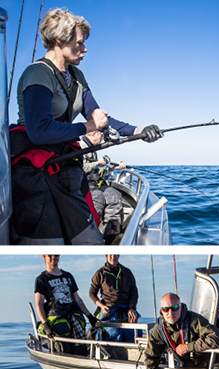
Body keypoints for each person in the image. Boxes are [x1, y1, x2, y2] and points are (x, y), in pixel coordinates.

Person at [9, 8, 163, 245]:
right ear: (60, 40)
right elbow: (39, 131)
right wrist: (87, 126)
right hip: (34, 172)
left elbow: (100, 118)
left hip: (63, 166)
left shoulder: (77, 76)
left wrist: (139, 131)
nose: (85, 49)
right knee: (49, 242)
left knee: (90, 241)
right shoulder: (38, 73)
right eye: (79, 43)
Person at [145, 293, 219, 369]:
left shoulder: (194, 320)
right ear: (161, 310)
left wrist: (189, 347)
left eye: (174, 308)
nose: (170, 313)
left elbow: (217, 338)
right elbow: (150, 358)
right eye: (166, 309)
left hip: (209, 365)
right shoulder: (159, 329)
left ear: (180, 307)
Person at [34, 254, 98, 355]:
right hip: (57, 320)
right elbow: (39, 304)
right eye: (50, 255)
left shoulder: (68, 276)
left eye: (56, 255)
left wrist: (90, 316)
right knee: (63, 349)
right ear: (44, 257)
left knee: (80, 348)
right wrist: (45, 325)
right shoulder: (41, 279)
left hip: (73, 318)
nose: (53, 258)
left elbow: (77, 299)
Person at [80, 131, 127, 243]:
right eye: (101, 136)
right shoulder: (79, 146)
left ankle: (112, 234)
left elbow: (96, 172)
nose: (102, 139)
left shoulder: (93, 149)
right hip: (84, 185)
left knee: (114, 194)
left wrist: (111, 169)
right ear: (94, 134)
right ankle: (91, 234)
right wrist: (97, 163)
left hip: (97, 184)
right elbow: (81, 168)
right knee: (98, 197)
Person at [89, 255, 139, 349]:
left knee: (132, 335)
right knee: (113, 335)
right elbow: (92, 293)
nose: (113, 257)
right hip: (109, 310)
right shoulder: (100, 273)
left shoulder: (127, 272)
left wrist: (132, 308)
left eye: (115, 254)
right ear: (106, 256)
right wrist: (102, 306)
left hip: (126, 310)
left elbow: (134, 292)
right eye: (110, 255)